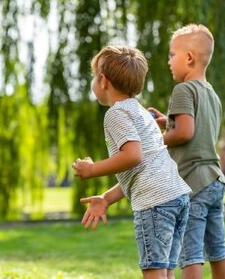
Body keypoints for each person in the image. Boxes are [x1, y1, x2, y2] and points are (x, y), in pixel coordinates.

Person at [72, 45, 192, 279]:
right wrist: (106, 198)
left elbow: (132, 156)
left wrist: (92, 169)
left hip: (156, 203)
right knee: (166, 271)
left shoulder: (116, 114)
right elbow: (141, 169)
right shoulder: (139, 111)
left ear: (103, 81)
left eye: (94, 76)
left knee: (154, 271)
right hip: (177, 196)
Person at [148, 24, 225, 279]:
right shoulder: (211, 94)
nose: (168, 61)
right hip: (215, 180)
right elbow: (197, 127)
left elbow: (185, 133)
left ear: (189, 58)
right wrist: (167, 121)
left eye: (172, 54)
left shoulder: (183, 90)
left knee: (190, 252)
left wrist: (158, 140)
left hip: (194, 183)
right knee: (218, 249)